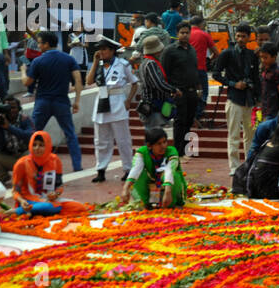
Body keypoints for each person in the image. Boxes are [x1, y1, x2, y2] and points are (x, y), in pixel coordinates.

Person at [22, 30, 83, 172]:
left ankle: (32, 164)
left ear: (46, 44)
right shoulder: (68, 59)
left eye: (39, 43)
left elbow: (27, 82)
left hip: (43, 102)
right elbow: (78, 80)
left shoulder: (38, 61)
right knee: (70, 134)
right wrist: (77, 101)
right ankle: (77, 166)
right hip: (62, 102)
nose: (38, 46)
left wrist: (23, 70)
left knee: (34, 133)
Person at [86, 37, 137, 183]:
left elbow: (134, 83)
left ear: (112, 51)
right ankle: (101, 169)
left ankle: (128, 169)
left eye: (104, 49)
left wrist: (128, 100)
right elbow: (89, 81)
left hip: (117, 102)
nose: (101, 52)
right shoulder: (99, 64)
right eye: (100, 49)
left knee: (123, 140)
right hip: (101, 101)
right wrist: (95, 62)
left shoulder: (123, 64)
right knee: (100, 140)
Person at [216, 24, 261, 175]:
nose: (241, 39)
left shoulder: (252, 55)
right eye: (238, 36)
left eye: (244, 36)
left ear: (249, 38)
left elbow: (256, 78)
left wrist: (259, 99)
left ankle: (249, 164)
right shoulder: (226, 54)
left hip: (250, 99)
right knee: (233, 134)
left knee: (251, 134)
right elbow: (216, 74)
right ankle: (234, 167)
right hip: (234, 98)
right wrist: (233, 84)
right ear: (235, 37)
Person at [12, 131, 78, 216]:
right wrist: (22, 201)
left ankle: (33, 211)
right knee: (51, 206)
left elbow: (59, 185)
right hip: (28, 199)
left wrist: (56, 194)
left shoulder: (55, 160)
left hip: (48, 199)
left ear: (48, 146)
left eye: (41, 145)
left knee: (79, 207)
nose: (37, 148)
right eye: (34, 145)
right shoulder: (22, 164)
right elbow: (15, 191)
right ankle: (19, 211)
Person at [118, 127, 187, 210]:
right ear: (149, 146)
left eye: (164, 142)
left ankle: (171, 204)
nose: (163, 146)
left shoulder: (172, 151)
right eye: (159, 144)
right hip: (151, 183)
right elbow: (135, 169)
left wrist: (168, 192)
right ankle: (146, 203)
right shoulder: (142, 152)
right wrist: (125, 189)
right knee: (139, 175)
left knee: (174, 176)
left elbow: (169, 171)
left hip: (168, 185)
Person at [162, 22, 201, 164]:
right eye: (182, 32)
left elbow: (195, 70)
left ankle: (184, 151)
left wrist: (198, 88)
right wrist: (170, 90)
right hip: (178, 92)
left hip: (192, 91)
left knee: (189, 121)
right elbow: (164, 72)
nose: (185, 35)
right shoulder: (170, 51)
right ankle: (177, 153)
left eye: (187, 32)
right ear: (177, 34)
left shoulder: (192, 50)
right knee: (180, 122)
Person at [0, 95, 35, 185]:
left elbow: (31, 135)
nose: (10, 111)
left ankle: (27, 174)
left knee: (34, 155)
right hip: (10, 157)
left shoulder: (25, 119)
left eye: (13, 107)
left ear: (19, 109)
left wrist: (9, 127)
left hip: (24, 155)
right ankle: (3, 177)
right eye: (7, 108)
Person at [134, 36, 177, 134]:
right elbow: (159, 84)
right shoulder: (151, 64)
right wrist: (173, 90)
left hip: (150, 104)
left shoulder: (144, 63)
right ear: (157, 51)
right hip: (154, 105)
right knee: (154, 135)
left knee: (152, 133)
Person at [188, 17, 217, 127]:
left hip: (187, 71)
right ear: (201, 24)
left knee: (189, 93)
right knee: (203, 93)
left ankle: (190, 116)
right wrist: (209, 60)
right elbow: (216, 52)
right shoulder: (204, 34)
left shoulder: (185, 34)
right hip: (200, 68)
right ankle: (197, 115)